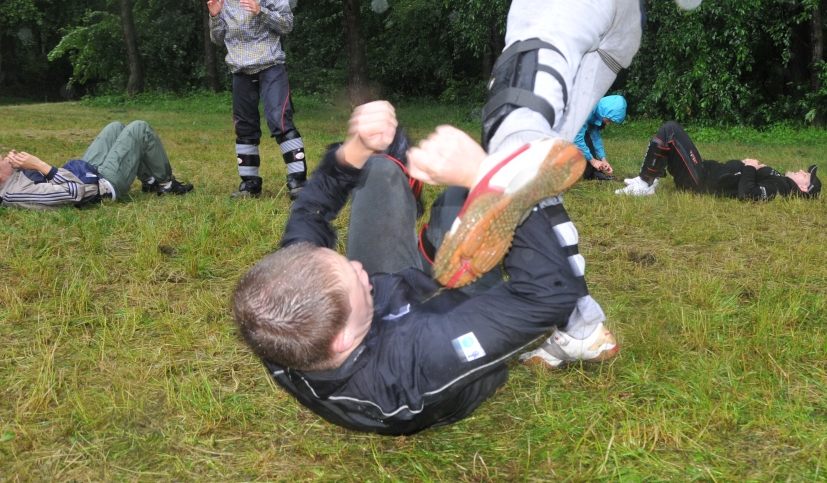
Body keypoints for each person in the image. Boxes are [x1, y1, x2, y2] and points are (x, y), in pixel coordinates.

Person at [231, 101, 616, 435]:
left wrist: (355, 148)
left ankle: (435, 248)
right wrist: (490, 177)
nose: (360, 269)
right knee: (492, 192)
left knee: (379, 169)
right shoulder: (417, 362)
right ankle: (570, 324)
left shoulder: (278, 312)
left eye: (344, 262)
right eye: (355, 280)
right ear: (344, 340)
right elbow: (549, 294)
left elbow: (311, 211)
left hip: (398, 299)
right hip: (444, 336)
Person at [428, 0, 643, 368]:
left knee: (515, 111)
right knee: (537, 175)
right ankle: (577, 323)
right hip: (601, 16)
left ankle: (516, 147)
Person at [207, 0, 307, 200]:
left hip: (270, 66)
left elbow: (287, 24)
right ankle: (250, 184)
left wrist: (261, 11)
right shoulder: (225, 1)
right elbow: (218, 39)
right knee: (244, 127)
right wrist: (215, 17)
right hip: (240, 71)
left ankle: (298, 182)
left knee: (279, 120)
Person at [0, 120, 193, 209]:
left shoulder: (12, 181)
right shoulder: (16, 193)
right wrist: (40, 164)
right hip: (102, 185)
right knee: (139, 129)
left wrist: (20, 165)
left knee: (115, 128)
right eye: (0, 160)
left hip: (85, 173)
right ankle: (166, 185)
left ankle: (149, 181)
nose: (3, 157)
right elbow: (74, 193)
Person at [615, 121, 823, 200]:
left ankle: (644, 184)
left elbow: (748, 194)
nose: (800, 171)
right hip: (702, 173)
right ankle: (648, 181)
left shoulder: (781, 187)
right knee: (672, 140)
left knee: (671, 131)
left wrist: (750, 167)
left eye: (805, 175)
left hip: (700, 179)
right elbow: (745, 178)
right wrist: (746, 166)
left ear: (804, 188)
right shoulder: (780, 180)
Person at [575, 95, 626, 181]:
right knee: (583, 137)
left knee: (587, 138)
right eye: (609, 120)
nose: (608, 124)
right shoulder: (586, 110)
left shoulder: (598, 114)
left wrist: (603, 159)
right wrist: (593, 161)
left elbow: (595, 138)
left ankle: (591, 172)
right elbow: (576, 139)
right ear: (605, 111)